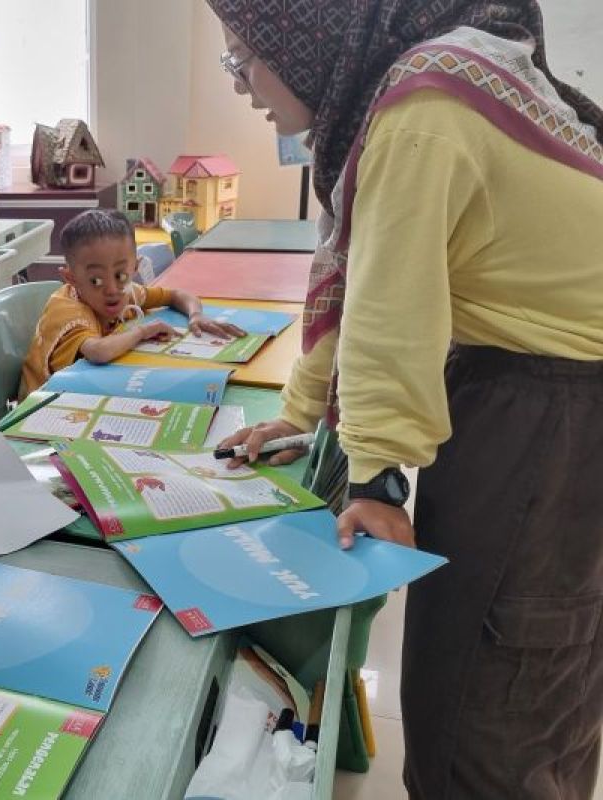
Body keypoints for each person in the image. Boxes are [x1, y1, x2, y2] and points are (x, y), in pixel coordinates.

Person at [207, 1, 603, 797]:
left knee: (485, 699)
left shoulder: (424, 99)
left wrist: (377, 479)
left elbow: (394, 304)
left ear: (309, 35)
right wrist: (300, 406)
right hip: (551, 402)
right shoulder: (463, 72)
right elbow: (368, 278)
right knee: (545, 663)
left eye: (245, 57)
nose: (245, 86)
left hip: (547, 414)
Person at [19, 209, 245, 396]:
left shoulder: (128, 291)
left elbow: (177, 295)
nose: (112, 290)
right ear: (71, 278)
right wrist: (142, 332)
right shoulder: (67, 309)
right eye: (96, 280)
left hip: (91, 390)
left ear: (134, 268)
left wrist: (196, 315)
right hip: (43, 408)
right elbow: (97, 351)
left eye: (120, 275)